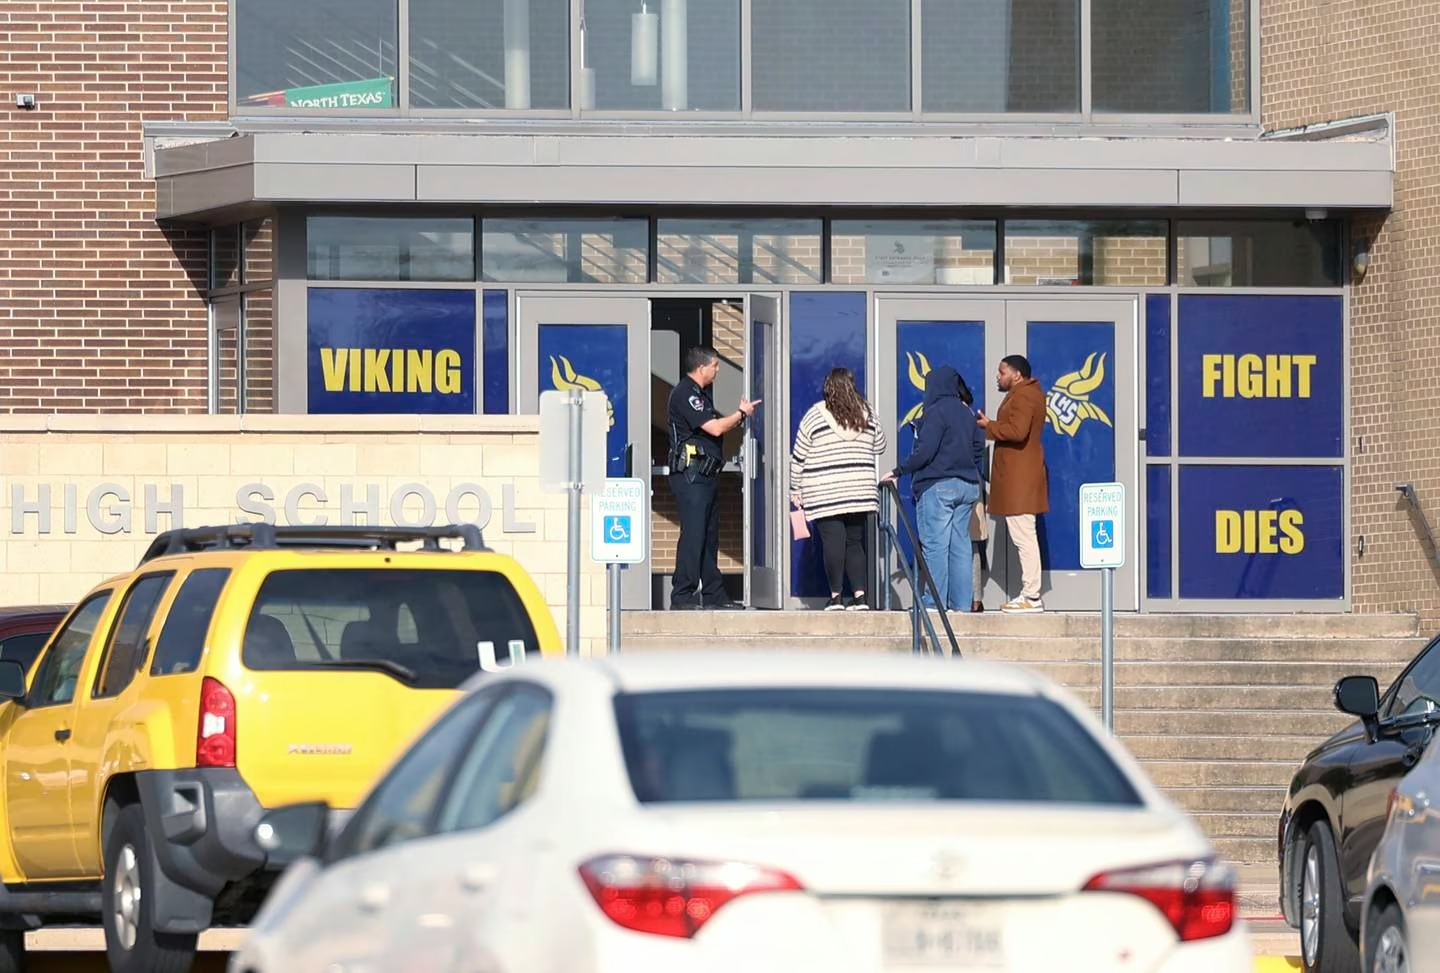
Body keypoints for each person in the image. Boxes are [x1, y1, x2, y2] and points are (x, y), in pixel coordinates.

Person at [881, 365, 984, 612]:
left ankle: (932, 602)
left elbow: (925, 451)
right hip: (968, 486)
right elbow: (978, 448)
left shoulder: (936, 412)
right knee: (960, 546)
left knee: (935, 546)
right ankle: (960, 605)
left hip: (938, 486)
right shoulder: (966, 412)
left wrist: (898, 471)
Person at [666, 346, 758, 610]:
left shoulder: (700, 395)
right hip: (691, 476)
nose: (718, 370)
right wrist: (741, 414)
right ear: (701, 367)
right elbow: (715, 428)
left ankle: (714, 595)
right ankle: (682, 596)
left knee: (708, 536)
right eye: (715, 365)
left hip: (705, 475)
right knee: (694, 535)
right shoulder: (686, 394)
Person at [790, 367, 888, 611]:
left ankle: (835, 597)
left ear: (828, 389)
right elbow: (881, 446)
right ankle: (860, 598)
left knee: (833, 543)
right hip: (859, 492)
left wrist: (795, 488)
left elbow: (798, 456)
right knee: (855, 543)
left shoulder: (815, 415)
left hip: (825, 491)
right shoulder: (867, 414)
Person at [976, 354, 1049, 613]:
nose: (998, 376)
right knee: (1024, 536)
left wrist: (989, 426)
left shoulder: (1025, 396)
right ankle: (1030, 594)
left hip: (1020, 480)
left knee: (1024, 538)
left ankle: (1031, 595)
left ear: (1017, 374)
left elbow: (1018, 431)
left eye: (1002, 371)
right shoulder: (1026, 394)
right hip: (1018, 479)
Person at [957, 376, 990, 612]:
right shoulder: (970, 415)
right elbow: (979, 448)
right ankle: (975, 599)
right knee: (972, 543)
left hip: (955, 480)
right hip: (972, 479)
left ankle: (960, 597)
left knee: (958, 543)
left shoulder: (945, 413)